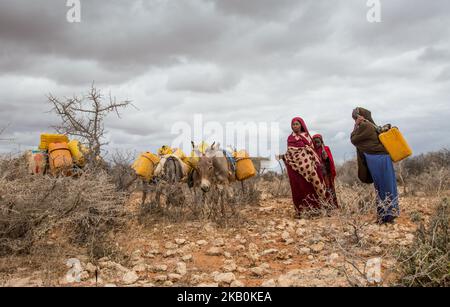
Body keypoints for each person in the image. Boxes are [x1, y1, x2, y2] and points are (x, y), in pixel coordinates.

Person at [350, 107, 399, 224]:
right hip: (381, 158)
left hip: (377, 159)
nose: (355, 120)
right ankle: (388, 214)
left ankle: (386, 215)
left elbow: (354, 139)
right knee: (386, 184)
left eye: (356, 117)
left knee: (382, 186)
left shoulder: (365, 126)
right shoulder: (372, 125)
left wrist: (356, 126)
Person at [281, 117, 327, 217]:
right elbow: (290, 151)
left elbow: (312, 149)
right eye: (293, 124)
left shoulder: (306, 136)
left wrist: (306, 152)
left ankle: (314, 209)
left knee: (309, 186)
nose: (295, 126)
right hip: (294, 167)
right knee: (297, 188)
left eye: (297, 124)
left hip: (308, 166)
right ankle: (300, 211)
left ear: (301, 125)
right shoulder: (290, 138)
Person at [312, 134, 338, 208]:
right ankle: (321, 206)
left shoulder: (326, 149)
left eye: (318, 142)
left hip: (326, 173)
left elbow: (330, 162)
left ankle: (331, 205)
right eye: (315, 142)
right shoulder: (312, 151)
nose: (317, 144)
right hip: (317, 173)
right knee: (319, 189)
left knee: (328, 188)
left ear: (321, 141)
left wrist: (325, 156)